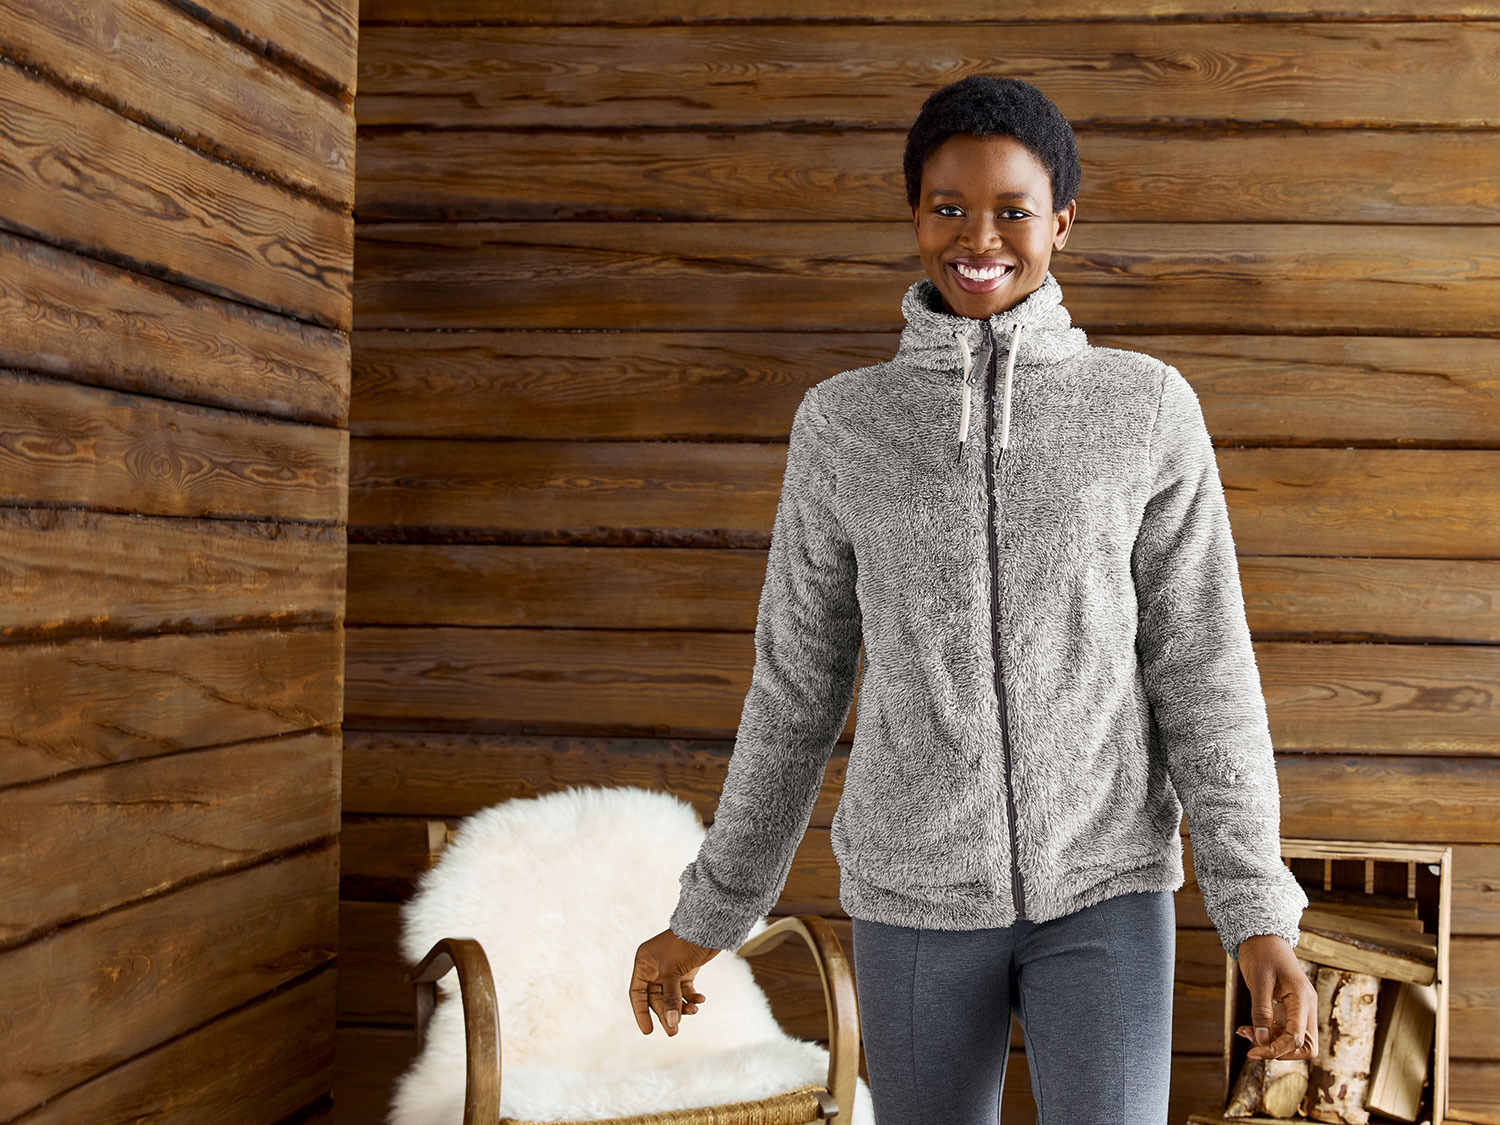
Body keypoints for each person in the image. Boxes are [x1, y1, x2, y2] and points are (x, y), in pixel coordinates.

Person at [629, 75, 1318, 1123]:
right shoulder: (844, 426)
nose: (978, 238)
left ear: (1062, 222)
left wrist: (1256, 909)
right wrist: (713, 911)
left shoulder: (1144, 408)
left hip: (1106, 892)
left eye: (1012, 210)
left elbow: (1204, 670)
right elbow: (795, 690)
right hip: (913, 900)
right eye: (947, 207)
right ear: (915, 216)